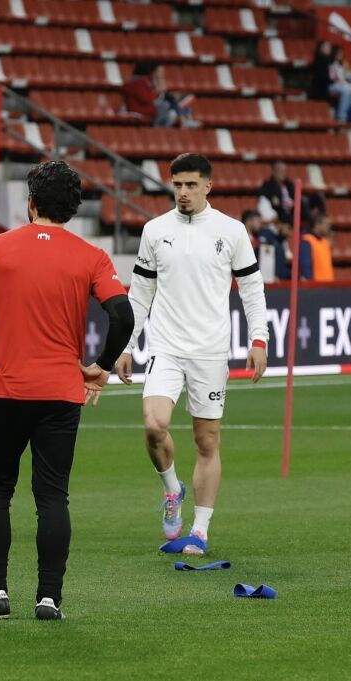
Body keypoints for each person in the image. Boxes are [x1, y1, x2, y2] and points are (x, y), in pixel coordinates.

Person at [0, 161, 133, 621]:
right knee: (53, 497)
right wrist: (101, 365)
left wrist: (5, 334)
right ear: (72, 208)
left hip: (7, 390)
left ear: (31, 202)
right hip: (61, 392)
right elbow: (122, 316)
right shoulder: (91, 256)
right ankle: (49, 598)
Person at [113, 154, 269, 555]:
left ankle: (199, 529)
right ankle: (172, 489)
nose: (183, 192)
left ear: (207, 186)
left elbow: (251, 289)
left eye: (191, 185)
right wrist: (125, 344)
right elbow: (140, 294)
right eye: (177, 185)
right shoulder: (155, 230)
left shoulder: (231, 231)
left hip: (210, 351)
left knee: (207, 441)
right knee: (154, 426)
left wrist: (259, 339)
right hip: (165, 347)